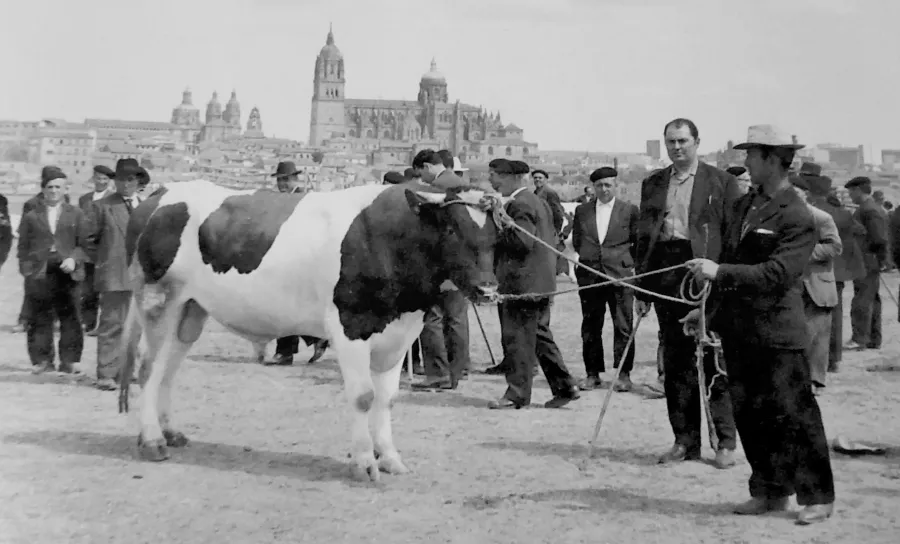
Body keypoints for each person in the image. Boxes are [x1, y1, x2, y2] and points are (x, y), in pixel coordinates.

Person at [683, 124, 835, 525]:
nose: (745, 161)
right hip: (739, 330)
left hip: (779, 334)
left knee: (794, 415)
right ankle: (769, 491)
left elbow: (777, 273)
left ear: (772, 160)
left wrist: (718, 272)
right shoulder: (744, 206)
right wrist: (705, 310)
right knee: (751, 414)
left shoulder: (797, 214)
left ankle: (818, 496)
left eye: (751, 155)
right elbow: (731, 258)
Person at [633, 118, 739, 469]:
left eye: (683, 141)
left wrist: (720, 279)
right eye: (671, 142)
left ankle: (724, 441)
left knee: (712, 358)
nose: (677, 147)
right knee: (676, 362)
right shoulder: (653, 183)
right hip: (666, 273)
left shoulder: (721, 182)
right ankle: (684, 440)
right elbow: (644, 238)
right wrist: (642, 287)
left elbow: (733, 239)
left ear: (697, 142)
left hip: (706, 275)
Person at [487, 158, 579, 409]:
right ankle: (565, 386)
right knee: (539, 336)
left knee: (516, 338)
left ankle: (517, 394)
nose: (491, 180)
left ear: (511, 178)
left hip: (523, 284)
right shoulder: (535, 200)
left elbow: (521, 242)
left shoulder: (521, 203)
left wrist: (494, 229)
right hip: (540, 281)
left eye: (494, 175)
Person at [571, 166, 639, 392]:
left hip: (620, 275)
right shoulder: (583, 211)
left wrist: (624, 265)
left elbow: (636, 243)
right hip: (591, 277)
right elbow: (579, 241)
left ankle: (623, 374)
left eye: (608, 184)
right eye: (599, 185)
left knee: (623, 326)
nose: (604, 189)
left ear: (616, 186)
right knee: (591, 326)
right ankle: (592, 374)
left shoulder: (629, 210)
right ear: (593, 187)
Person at [410, 149, 471, 390]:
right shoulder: (461, 183)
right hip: (461, 263)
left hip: (442, 264)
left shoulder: (439, 187)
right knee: (457, 318)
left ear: (427, 166)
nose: (421, 180)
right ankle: (458, 370)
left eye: (421, 174)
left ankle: (438, 375)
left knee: (432, 317)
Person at [19, 167, 88, 374]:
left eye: (58, 187)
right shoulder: (32, 215)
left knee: (71, 316)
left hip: (67, 272)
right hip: (40, 272)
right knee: (40, 316)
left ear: (65, 189)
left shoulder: (76, 213)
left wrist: (74, 260)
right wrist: (27, 270)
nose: (54, 191)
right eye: (50, 187)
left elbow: (85, 244)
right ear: (43, 189)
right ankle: (42, 360)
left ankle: (69, 360)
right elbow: (23, 246)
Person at [265, 161, 329, 365]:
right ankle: (313, 340)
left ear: (294, 179)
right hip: (286, 258)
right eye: (279, 180)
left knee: (284, 307)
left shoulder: (303, 198)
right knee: (288, 307)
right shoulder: (283, 199)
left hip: (299, 259)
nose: (281, 184)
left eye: (285, 179)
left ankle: (286, 351)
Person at [789, 174, 841, 394]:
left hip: (817, 284)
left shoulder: (821, 217)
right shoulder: (781, 217)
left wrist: (802, 255)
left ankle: (815, 380)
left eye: (797, 193)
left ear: (806, 195)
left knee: (817, 335)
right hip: (790, 285)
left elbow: (834, 247)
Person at [844, 176, 888, 351]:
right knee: (872, 299)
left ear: (858, 191)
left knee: (862, 299)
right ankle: (873, 338)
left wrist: (877, 257)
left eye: (851, 192)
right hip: (870, 260)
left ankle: (860, 338)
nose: (850, 195)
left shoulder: (868, 210)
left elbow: (880, 238)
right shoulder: (868, 208)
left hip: (867, 260)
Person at [77, 165, 116, 334]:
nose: (101, 182)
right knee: (87, 290)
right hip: (87, 252)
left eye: (104, 179)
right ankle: (88, 323)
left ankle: (104, 325)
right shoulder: (84, 199)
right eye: (98, 178)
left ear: (109, 181)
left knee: (105, 291)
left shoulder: (114, 199)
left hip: (105, 252)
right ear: (93, 179)